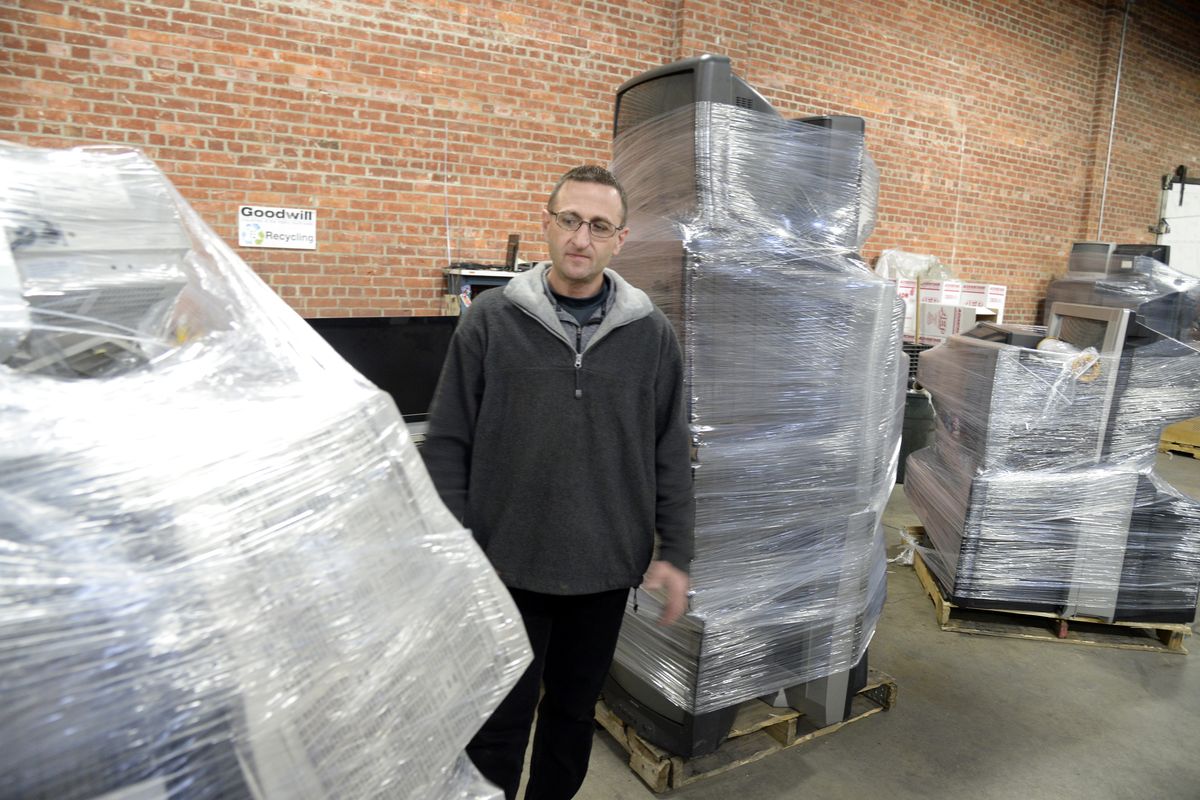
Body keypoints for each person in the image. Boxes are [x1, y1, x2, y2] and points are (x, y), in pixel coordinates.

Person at [421, 164, 695, 800]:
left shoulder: (651, 336)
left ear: (619, 239)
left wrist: (675, 551)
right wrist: (455, 545)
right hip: (505, 564)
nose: (582, 237)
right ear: (547, 225)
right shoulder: (489, 322)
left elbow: (669, 451)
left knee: (571, 720)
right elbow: (448, 441)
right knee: (496, 726)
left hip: (602, 569)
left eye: (599, 226)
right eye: (570, 220)